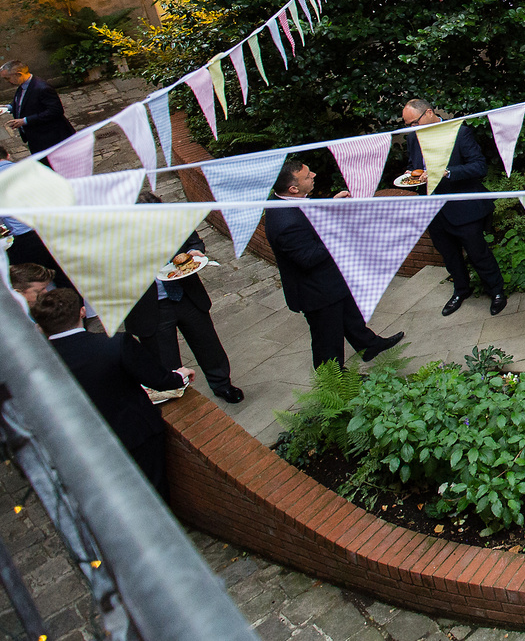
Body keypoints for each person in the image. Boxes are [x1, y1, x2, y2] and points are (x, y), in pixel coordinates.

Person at [33, 287, 188, 495]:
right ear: (82, 312)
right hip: (135, 434)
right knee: (154, 491)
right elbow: (159, 380)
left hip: (84, 447)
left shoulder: (36, 366)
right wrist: (180, 376)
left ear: (41, 326)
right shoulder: (114, 344)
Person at [267, 158, 405, 369]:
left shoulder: (291, 201)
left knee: (351, 317)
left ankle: (370, 346)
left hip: (330, 280)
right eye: (307, 176)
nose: (313, 175)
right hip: (316, 292)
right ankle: (334, 381)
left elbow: (312, 219)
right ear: (293, 188)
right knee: (327, 340)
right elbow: (308, 258)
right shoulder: (285, 222)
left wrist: (333, 204)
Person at [120, 203, 243, 404]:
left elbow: (194, 242)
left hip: (186, 296)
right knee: (163, 358)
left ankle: (222, 385)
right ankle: (179, 397)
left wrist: (195, 251)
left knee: (207, 344)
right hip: (152, 306)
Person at [403, 99, 507, 317]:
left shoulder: (459, 132)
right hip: (433, 209)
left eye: (414, 122)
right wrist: (410, 174)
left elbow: (479, 166)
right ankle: (461, 290)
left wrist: (447, 171)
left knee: (478, 253)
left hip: (464, 207)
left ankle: (496, 291)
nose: (411, 128)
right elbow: (414, 166)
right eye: (408, 125)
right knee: (449, 255)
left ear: (429, 113)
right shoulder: (413, 138)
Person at [4, 59, 74, 154]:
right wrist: (8, 107)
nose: (7, 82)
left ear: (18, 74)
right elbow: (22, 103)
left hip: (51, 139)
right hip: (37, 139)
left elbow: (55, 111)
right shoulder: (23, 86)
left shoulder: (42, 88)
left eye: (7, 78)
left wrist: (25, 121)